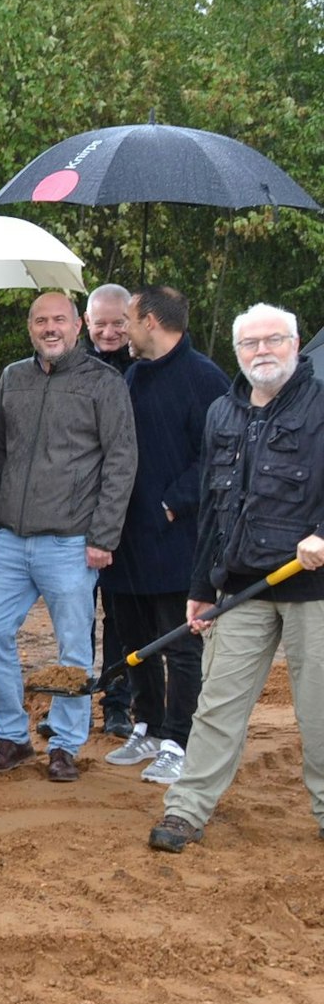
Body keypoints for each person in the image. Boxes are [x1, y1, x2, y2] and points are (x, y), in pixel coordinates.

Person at [150, 304, 324, 852]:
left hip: (312, 588)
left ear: (296, 343)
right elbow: (213, 507)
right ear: (237, 352)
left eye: (273, 340)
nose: (262, 351)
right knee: (218, 705)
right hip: (241, 586)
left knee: (319, 711)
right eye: (250, 343)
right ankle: (186, 808)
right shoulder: (222, 413)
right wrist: (201, 588)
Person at [0, 292, 137, 781]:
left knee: (72, 646)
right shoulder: (12, 378)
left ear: (77, 326)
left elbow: (121, 461)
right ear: (30, 327)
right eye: (41, 320)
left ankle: (65, 744)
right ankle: (12, 736)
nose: (51, 328)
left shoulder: (104, 382)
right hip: (9, 539)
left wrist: (103, 536)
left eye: (60, 320)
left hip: (71, 541)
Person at [98, 287, 231, 784]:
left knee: (180, 644)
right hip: (128, 538)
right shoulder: (133, 376)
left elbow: (218, 457)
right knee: (136, 640)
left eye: (128, 320)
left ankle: (179, 741)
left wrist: (172, 502)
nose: (122, 330)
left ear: (150, 321)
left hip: (179, 540)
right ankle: (149, 726)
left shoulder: (206, 379)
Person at [83, 283, 139, 736]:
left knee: (121, 617)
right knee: (76, 615)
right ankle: (74, 701)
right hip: (77, 515)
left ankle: (118, 702)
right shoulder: (71, 368)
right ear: (86, 322)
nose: (109, 332)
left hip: (129, 515)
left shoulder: (144, 369)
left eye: (118, 323)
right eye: (100, 323)